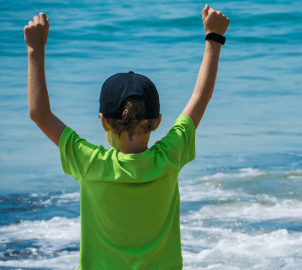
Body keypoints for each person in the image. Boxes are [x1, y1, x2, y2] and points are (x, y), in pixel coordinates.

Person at [24, 4, 229, 269]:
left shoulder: (89, 163)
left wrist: (35, 50)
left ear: (104, 122)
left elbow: (39, 113)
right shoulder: (170, 156)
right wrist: (214, 38)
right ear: (156, 122)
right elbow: (200, 97)